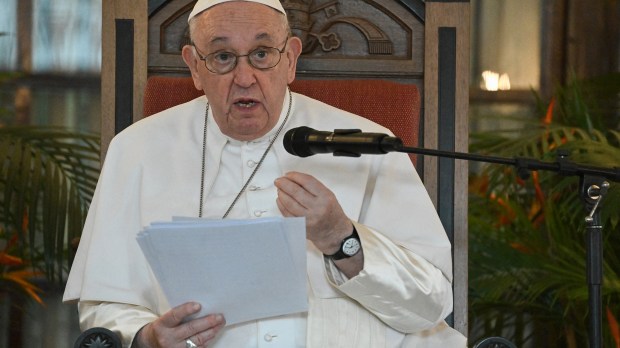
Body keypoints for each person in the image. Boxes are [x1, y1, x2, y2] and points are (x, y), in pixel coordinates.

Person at [64, 0, 466, 347]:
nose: (244, 77)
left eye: (261, 54)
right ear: (194, 67)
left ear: (290, 59)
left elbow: (430, 304)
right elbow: (104, 305)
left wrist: (342, 239)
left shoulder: (367, 145)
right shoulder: (136, 150)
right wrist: (147, 338)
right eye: (222, 57)